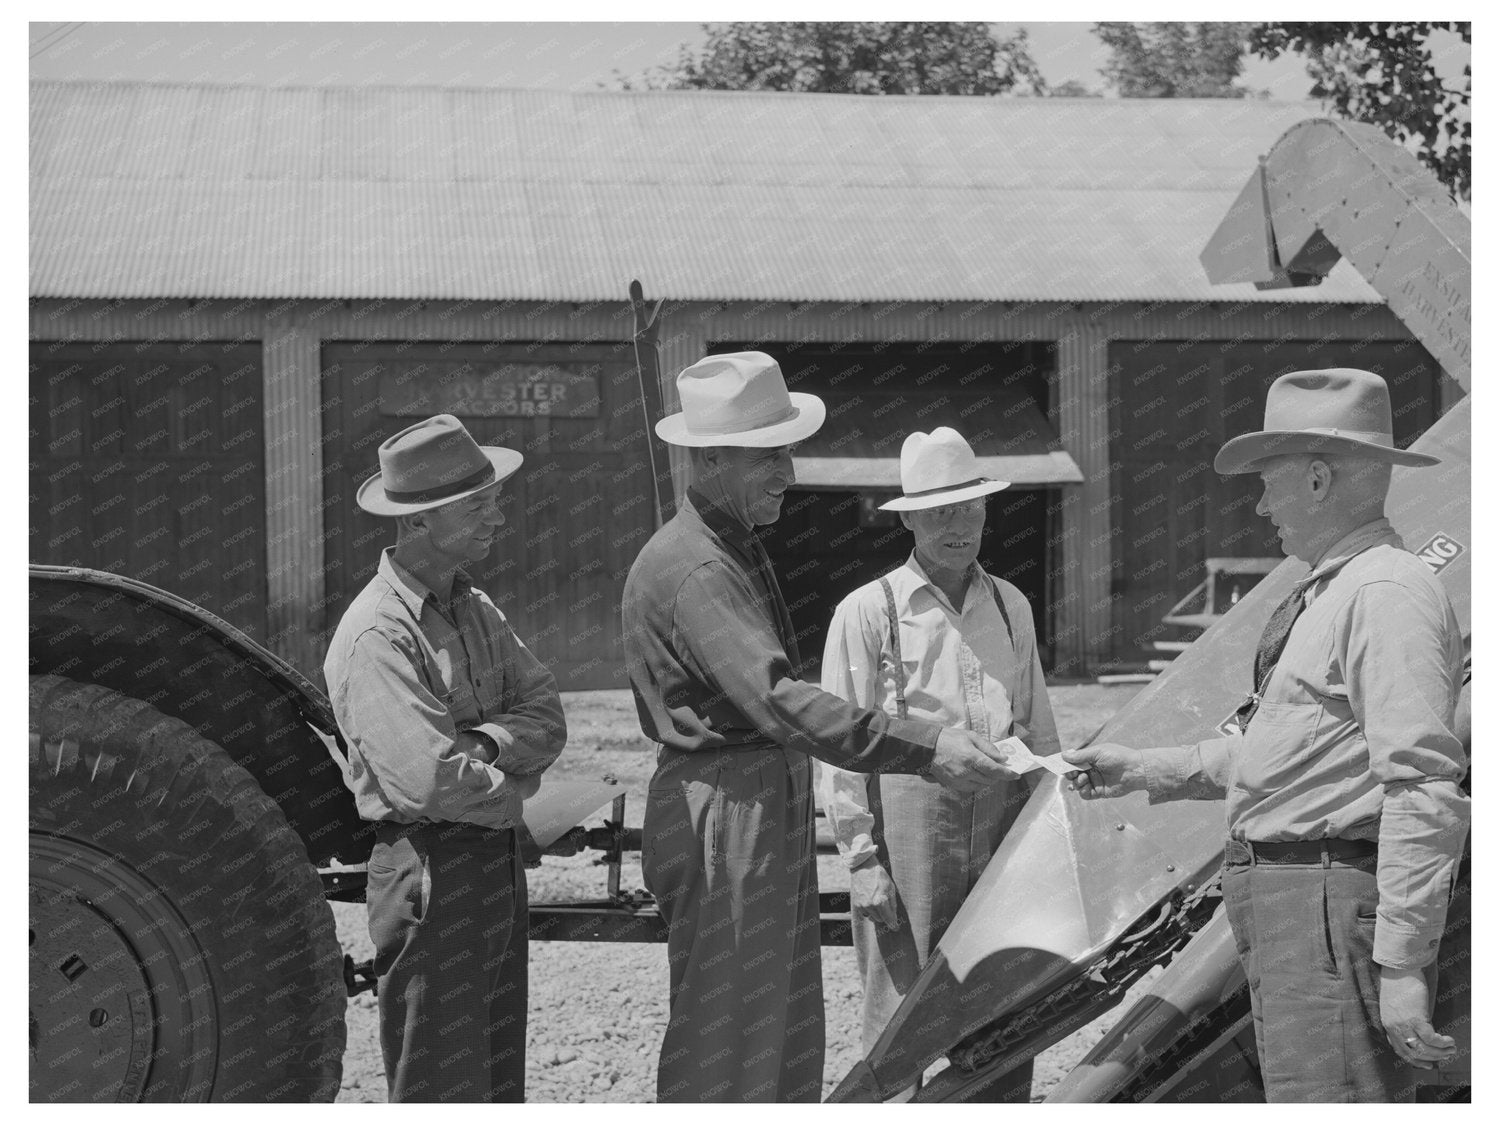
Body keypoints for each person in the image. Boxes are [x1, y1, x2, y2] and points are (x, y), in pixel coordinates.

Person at [1063, 369, 1469, 1102]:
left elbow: (1423, 786)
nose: (1259, 505)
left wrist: (1404, 964)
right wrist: (1141, 768)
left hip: (1322, 904)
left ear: (1316, 479)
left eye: (1268, 483)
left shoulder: (1381, 593)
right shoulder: (1340, 591)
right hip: (1299, 907)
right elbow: (1293, 753)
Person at [621, 352, 1018, 1103]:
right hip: (728, 803)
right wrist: (925, 744)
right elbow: (780, 700)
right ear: (709, 458)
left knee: (779, 1019)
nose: (789, 472)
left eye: (787, 451)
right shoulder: (700, 568)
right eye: (768, 455)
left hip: (755, 795)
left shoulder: (729, 547)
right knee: (730, 1031)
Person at [324, 414, 566, 1102]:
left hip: (490, 864)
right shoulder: (377, 633)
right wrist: (518, 788)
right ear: (418, 519)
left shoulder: (475, 607)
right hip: (431, 871)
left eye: (495, 499)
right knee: (441, 1086)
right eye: (478, 505)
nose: (499, 518)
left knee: (496, 1083)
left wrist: (483, 745)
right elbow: (430, 782)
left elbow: (547, 716)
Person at [818, 426, 1060, 1102]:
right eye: (939, 512)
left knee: (1001, 990)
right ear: (909, 520)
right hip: (909, 827)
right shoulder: (868, 610)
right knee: (904, 1007)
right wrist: (861, 861)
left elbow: (1037, 723)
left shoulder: (1010, 603)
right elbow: (840, 744)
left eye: (969, 509)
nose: (958, 526)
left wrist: (1046, 827)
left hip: (1003, 817)